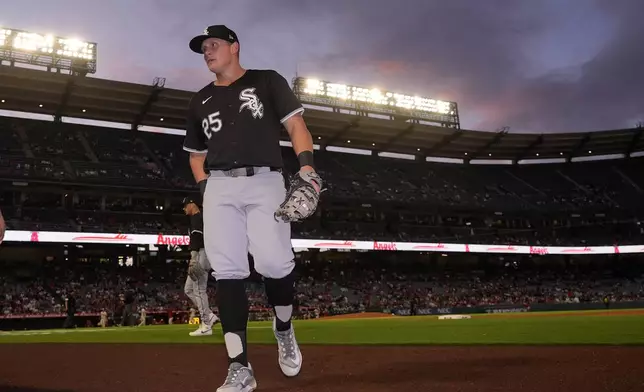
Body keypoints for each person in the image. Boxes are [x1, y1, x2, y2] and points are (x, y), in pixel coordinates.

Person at [183, 25, 323, 392]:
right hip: (219, 187)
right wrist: (206, 188)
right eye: (203, 48)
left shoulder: (266, 80)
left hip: (265, 180)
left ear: (234, 47)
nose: (207, 52)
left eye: (214, 45)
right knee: (227, 272)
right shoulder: (199, 100)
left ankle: (284, 328)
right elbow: (197, 156)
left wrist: (306, 166)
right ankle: (239, 367)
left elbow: (296, 125)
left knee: (275, 263)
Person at [182, 196, 219, 336]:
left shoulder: (198, 217)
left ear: (192, 204)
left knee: (198, 289)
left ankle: (206, 326)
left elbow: (197, 239)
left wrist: (193, 258)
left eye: (186, 206)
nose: (184, 209)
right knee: (189, 289)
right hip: (204, 254)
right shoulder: (202, 217)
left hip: (202, 254)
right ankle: (209, 315)